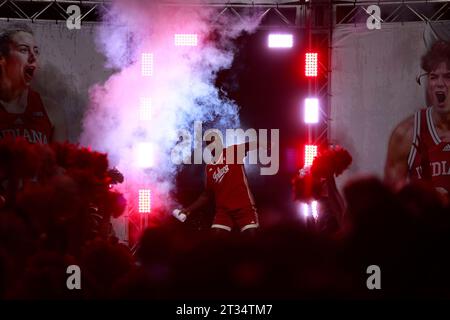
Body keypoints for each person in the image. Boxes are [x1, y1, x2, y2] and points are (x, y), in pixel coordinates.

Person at [384, 40, 450, 198]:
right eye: (434, 77)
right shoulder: (406, 134)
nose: (440, 84)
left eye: (448, 76)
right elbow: (389, 207)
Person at [174, 131, 260, 235]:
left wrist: (264, 144)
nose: (213, 144)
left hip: (244, 207)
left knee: (251, 238)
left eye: (215, 140)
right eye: (209, 142)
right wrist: (188, 209)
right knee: (215, 241)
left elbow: (249, 145)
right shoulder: (209, 168)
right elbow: (206, 195)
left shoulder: (232, 151)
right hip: (223, 212)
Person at [0, 24, 67, 144]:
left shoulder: (51, 110)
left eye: (36, 51)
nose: (33, 57)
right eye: (24, 50)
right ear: (2, 58)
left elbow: (61, 161)